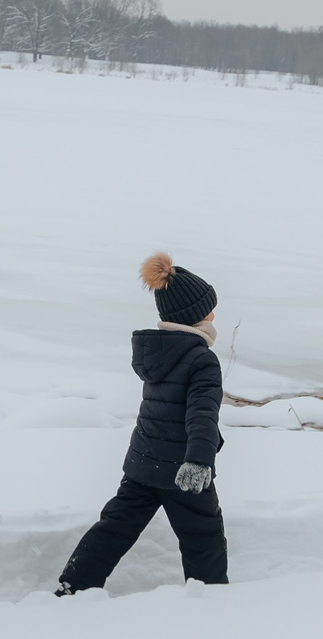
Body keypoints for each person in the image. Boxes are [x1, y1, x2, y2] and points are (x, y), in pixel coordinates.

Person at [55, 254, 229, 593]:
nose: (213, 313)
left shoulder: (160, 351)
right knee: (203, 535)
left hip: (144, 461)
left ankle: (74, 584)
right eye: (209, 308)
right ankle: (213, 597)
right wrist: (198, 460)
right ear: (195, 316)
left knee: (116, 526)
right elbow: (202, 414)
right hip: (182, 466)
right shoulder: (201, 359)